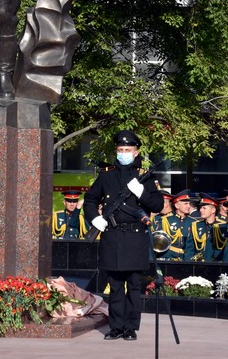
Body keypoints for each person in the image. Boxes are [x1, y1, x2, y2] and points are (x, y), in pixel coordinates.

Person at [83, 130, 163, 342]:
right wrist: (94, 218)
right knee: (116, 286)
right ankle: (116, 326)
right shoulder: (106, 175)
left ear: (136, 153)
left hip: (135, 237)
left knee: (134, 286)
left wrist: (141, 193)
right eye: (120, 150)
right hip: (112, 236)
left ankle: (130, 327)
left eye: (128, 150)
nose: (124, 153)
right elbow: (90, 198)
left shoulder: (145, 177)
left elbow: (158, 204)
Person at [186, 193, 221, 261]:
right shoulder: (195, 225)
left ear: (213, 210)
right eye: (201, 208)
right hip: (198, 264)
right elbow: (189, 248)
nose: (201, 210)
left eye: (204, 208)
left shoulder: (222, 226)